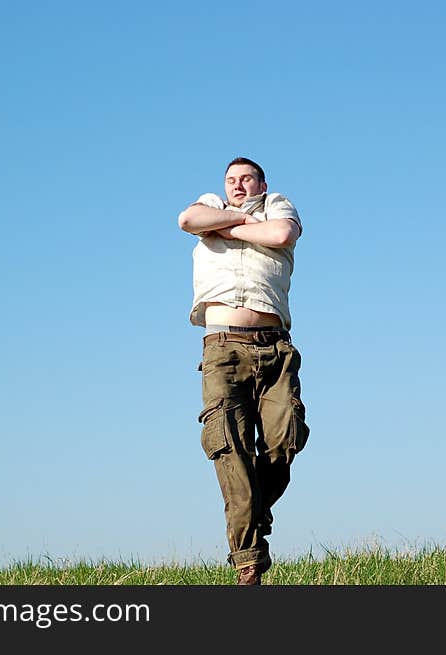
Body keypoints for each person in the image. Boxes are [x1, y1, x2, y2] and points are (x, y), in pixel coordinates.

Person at [177, 156, 310, 585]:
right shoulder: (209, 204)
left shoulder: (277, 205)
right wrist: (228, 217)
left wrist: (228, 227)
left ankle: (252, 510)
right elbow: (188, 219)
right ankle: (248, 562)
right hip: (222, 350)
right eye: (231, 179)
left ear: (262, 182)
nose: (237, 185)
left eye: (245, 178)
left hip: (274, 348)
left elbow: (282, 233)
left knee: (284, 439)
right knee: (229, 446)